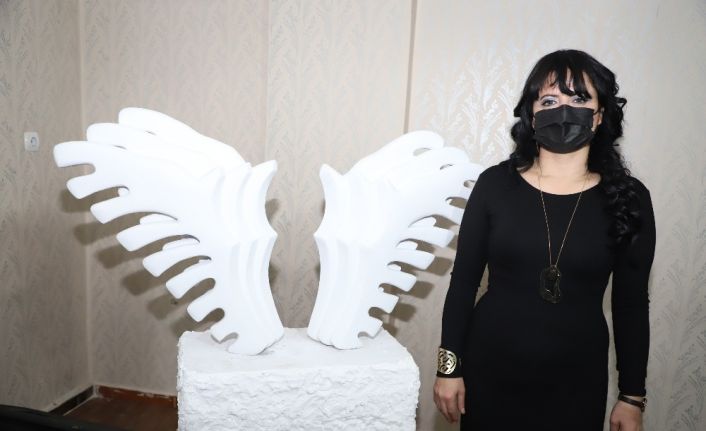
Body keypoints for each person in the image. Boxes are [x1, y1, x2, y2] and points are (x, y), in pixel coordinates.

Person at [433, 49, 655, 431]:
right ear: (532, 114)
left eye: (579, 99)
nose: (564, 110)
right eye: (549, 101)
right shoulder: (494, 185)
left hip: (577, 383)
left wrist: (632, 397)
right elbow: (463, 282)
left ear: (599, 115)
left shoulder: (629, 198)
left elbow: (631, 305)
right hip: (489, 372)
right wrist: (448, 368)